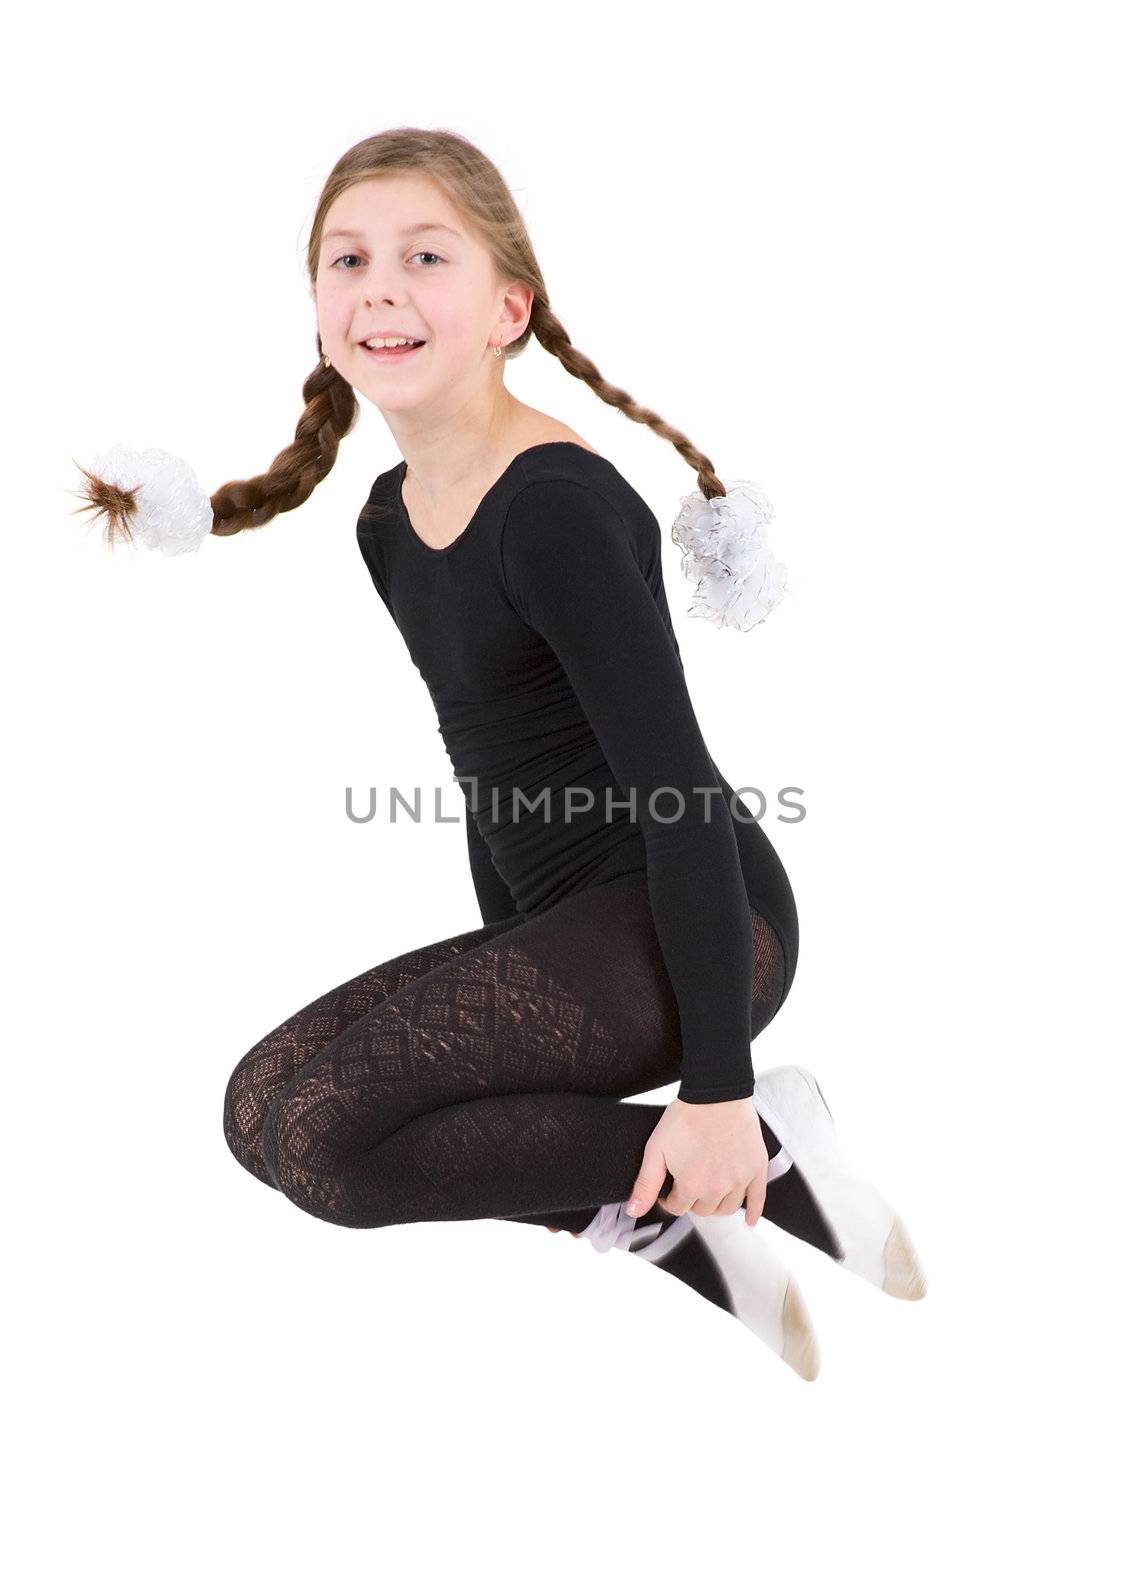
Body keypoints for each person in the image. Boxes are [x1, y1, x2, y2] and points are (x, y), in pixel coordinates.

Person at [72, 127, 925, 1381]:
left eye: (427, 256)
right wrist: (505, 964)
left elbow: (681, 797)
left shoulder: (558, 511)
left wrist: (717, 1084)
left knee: (326, 1140)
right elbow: (490, 775)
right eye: (347, 260)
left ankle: (760, 1151)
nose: (381, 287)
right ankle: (647, 1210)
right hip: (576, 930)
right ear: (317, 311)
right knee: (259, 1114)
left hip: (705, 923)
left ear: (505, 308)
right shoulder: (388, 522)